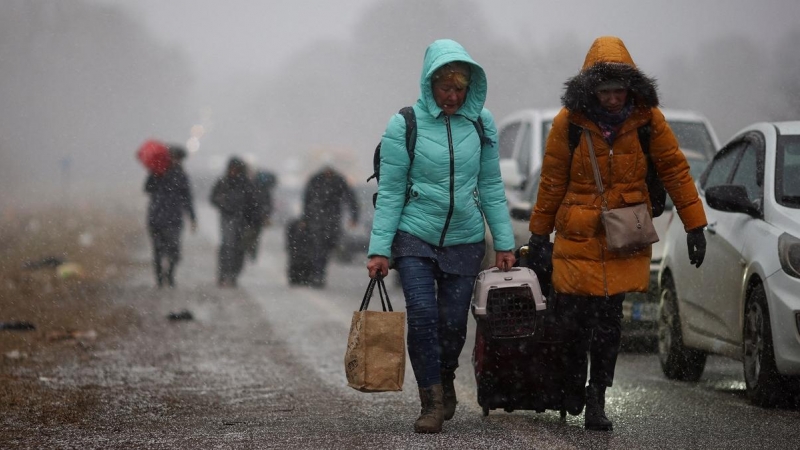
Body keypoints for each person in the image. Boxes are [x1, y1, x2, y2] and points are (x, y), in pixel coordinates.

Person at [526, 36, 708, 431]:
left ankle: (596, 397)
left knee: (609, 322)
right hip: (576, 236)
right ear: (591, 89)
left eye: (618, 91)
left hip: (623, 236)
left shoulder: (648, 121)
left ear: (630, 88)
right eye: (605, 91)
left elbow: (675, 169)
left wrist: (695, 224)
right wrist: (539, 235)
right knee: (573, 321)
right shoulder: (568, 124)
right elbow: (552, 181)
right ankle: (572, 384)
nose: (612, 99)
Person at [366, 39, 516, 434]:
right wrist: (380, 249)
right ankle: (430, 399)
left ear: (470, 88)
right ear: (429, 84)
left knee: (453, 324)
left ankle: (444, 373)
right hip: (415, 234)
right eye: (444, 87)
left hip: (465, 238)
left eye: (459, 89)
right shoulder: (405, 123)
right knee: (422, 314)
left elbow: (491, 184)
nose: (451, 96)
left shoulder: (482, 123)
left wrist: (503, 243)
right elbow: (393, 190)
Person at [144, 145, 197, 288]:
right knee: (157, 251)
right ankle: (160, 278)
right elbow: (147, 188)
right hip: (156, 219)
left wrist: (192, 218)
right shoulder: (156, 172)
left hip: (173, 220)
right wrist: (156, 174)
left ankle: (170, 275)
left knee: (174, 252)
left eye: (178, 158)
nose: (176, 161)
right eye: (173, 157)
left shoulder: (181, 175)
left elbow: (187, 198)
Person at [300, 164, 359, 287]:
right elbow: (307, 199)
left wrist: (354, 216)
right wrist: (305, 217)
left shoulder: (338, 180)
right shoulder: (316, 180)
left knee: (326, 247)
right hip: (317, 218)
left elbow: (350, 198)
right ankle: (317, 274)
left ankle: (318, 273)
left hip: (331, 219)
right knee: (318, 247)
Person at [210, 157, 256, 287]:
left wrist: (252, 218)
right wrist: (223, 203)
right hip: (227, 218)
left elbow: (253, 203)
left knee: (239, 249)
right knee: (227, 246)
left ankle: (233, 274)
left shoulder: (246, 184)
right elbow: (213, 198)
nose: (233, 171)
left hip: (243, 220)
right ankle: (224, 274)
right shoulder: (224, 182)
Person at [243, 170, 277, 261]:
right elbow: (268, 205)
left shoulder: (251, 187)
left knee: (250, 235)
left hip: (251, 217)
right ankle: (251, 253)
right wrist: (265, 215)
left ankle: (247, 252)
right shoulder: (265, 191)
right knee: (254, 236)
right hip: (256, 218)